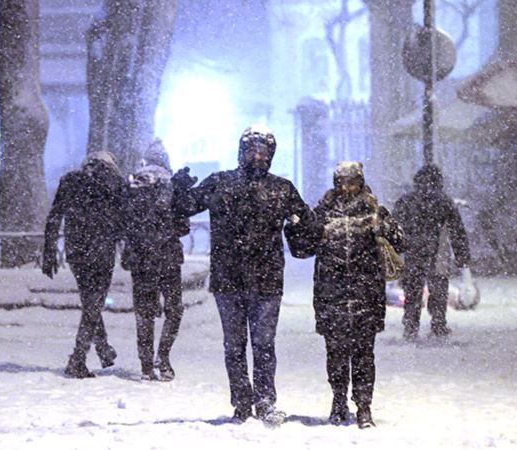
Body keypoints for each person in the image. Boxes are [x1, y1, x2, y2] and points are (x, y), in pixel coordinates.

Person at [172, 125, 313, 424]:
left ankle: (264, 400)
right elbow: (183, 207)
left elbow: (306, 233)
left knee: (263, 344)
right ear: (241, 152)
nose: (257, 156)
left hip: (267, 280)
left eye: (263, 151)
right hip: (229, 279)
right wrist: (178, 188)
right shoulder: (220, 183)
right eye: (252, 150)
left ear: (271, 155)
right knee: (234, 345)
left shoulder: (282, 188)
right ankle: (242, 401)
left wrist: (304, 225)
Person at [304, 162, 405, 429]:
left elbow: (401, 241)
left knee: (363, 353)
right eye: (340, 183)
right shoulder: (323, 211)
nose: (345, 188)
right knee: (335, 352)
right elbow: (303, 245)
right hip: (331, 293)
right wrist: (297, 224)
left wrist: (382, 228)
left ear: (360, 182)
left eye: (351, 182)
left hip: (366, 293)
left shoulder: (374, 210)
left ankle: (363, 406)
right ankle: (338, 401)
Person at [42, 151, 124, 378]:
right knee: (93, 304)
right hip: (102, 250)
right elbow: (123, 219)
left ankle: (104, 349)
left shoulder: (70, 181)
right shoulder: (115, 182)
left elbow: (54, 215)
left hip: (77, 251)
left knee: (90, 301)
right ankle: (78, 358)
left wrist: (49, 249)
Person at [122, 139, 189, 381]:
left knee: (144, 312)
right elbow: (183, 228)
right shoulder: (172, 185)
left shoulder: (132, 185)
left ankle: (146, 365)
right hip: (168, 256)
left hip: (141, 258)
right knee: (174, 310)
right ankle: (164, 357)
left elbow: (123, 222)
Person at [393, 164, 472, 340]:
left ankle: (411, 325)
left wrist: (393, 253)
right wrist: (462, 258)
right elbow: (457, 232)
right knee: (438, 289)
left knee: (412, 290)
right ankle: (438, 323)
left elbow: (393, 228)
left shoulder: (406, 200)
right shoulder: (444, 201)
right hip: (436, 252)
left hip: (412, 252)